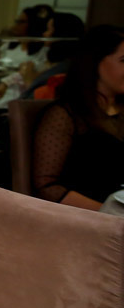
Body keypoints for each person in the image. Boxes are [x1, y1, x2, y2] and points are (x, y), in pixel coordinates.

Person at [31, 24, 124, 210]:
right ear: (95, 61)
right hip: (86, 217)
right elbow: (46, 186)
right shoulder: (64, 115)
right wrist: (108, 212)